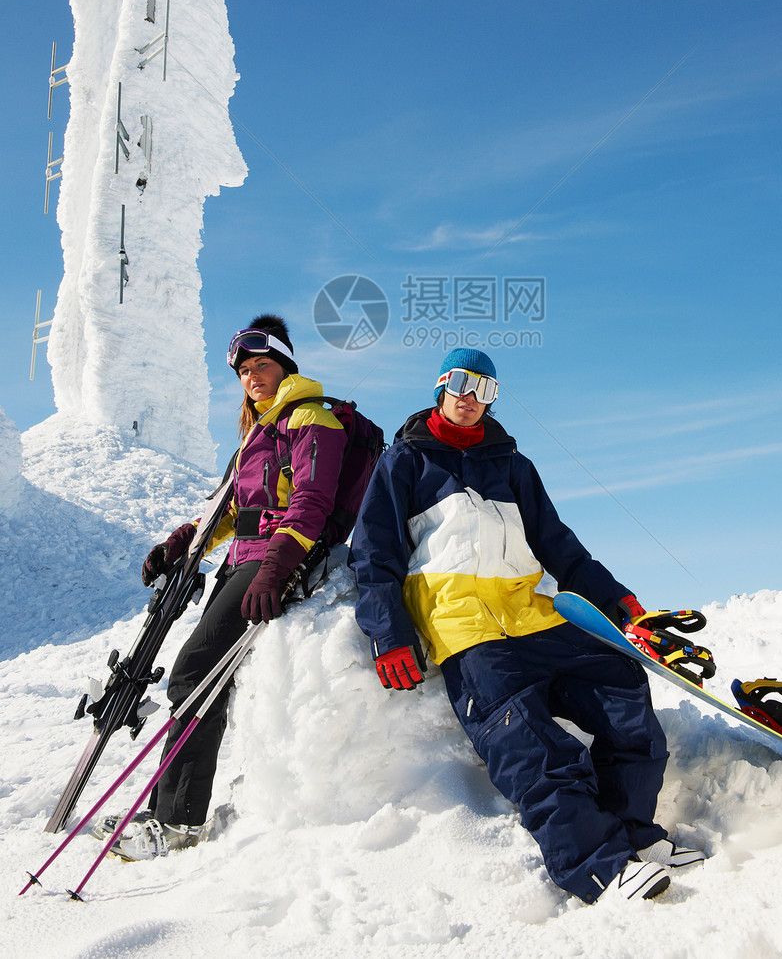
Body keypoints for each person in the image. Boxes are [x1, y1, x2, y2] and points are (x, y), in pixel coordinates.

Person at [350, 348, 704, 905]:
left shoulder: (513, 465)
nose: (472, 399)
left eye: (485, 390)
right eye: (463, 385)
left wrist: (616, 597)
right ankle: (596, 863)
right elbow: (374, 556)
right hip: (467, 629)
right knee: (526, 740)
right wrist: (388, 633)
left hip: (535, 616)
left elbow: (558, 544)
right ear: (441, 385)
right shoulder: (405, 462)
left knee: (624, 689)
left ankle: (634, 832)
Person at [96, 314, 346, 860]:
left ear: (285, 366)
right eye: (245, 370)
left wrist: (277, 569)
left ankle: (179, 823)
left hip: (276, 563)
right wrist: (182, 544)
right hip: (240, 561)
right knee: (196, 679)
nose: (253, 376)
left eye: (263, 365)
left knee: (194, 674)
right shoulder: (257, 434)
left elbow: (311, 503)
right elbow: (230, 510)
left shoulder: (312, 420)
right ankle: (165, 811)